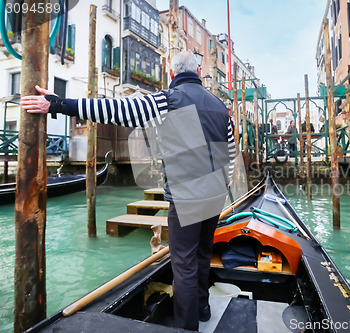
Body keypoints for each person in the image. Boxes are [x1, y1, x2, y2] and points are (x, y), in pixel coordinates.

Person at [20, 51, 235, 331]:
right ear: (198, 72)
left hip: (187, 196)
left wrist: (58, 104)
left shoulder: (168, 99)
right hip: (215, 193)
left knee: (183, 264)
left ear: (172, 74)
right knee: (203, 254)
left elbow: (114, 110)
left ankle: (186, 327)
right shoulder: (220, 107)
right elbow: (229, 155)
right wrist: (224, 186)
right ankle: (203, 308)